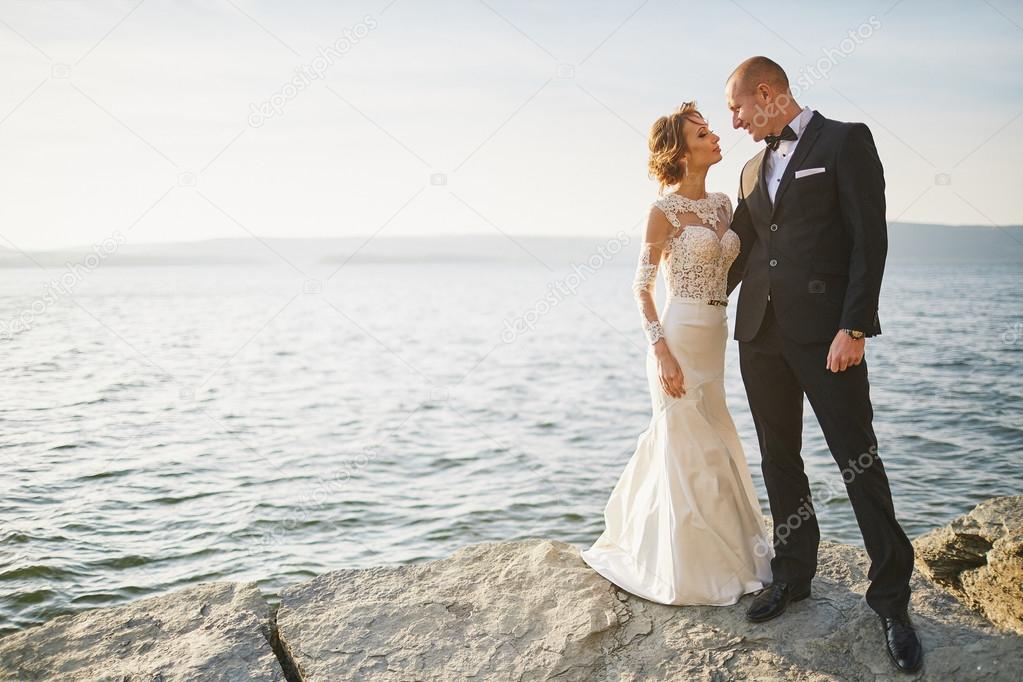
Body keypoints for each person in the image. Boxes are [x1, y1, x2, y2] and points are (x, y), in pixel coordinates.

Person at [723, 56, 922, 674]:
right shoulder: (751, 166)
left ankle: (891, 598)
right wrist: (685, 314)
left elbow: (871, 239)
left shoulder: (844, 140)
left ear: (765, 94)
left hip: (829, 336)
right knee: (779, 458)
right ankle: (793, 574)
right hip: (759, 334)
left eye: (736, 109)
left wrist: (855, 325)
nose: (732, 122)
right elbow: (739, 251)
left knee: (857, 457)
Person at [581, 101, 774, 606]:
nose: (715, 137)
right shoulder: (662, 211)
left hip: (715, 333)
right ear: (681, 151)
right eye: (702, 133)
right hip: (679, 335)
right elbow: (640, 288)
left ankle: (732, 552)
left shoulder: (724, 206)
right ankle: (685, 565)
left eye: (711, 129)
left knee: (714, 433)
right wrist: (661, 350)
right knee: (685, 443)